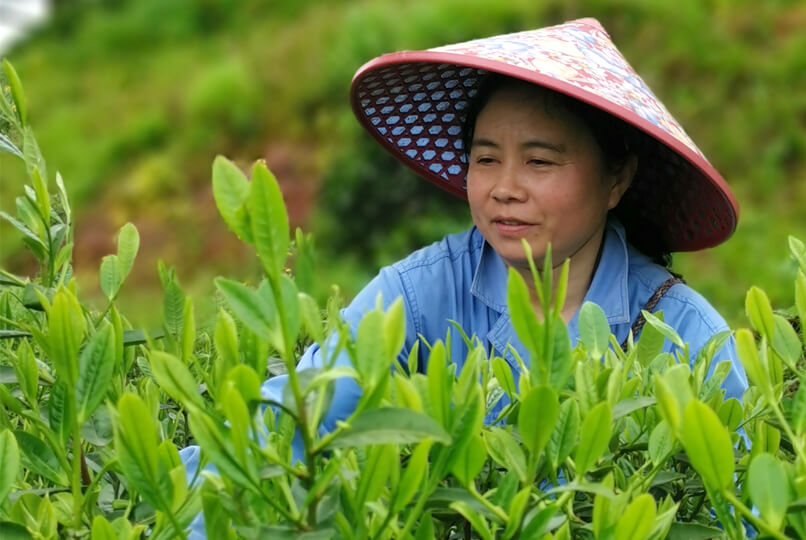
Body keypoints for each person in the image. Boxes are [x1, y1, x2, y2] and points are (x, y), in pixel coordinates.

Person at [181, 17, 748, 535]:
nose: (505, 187)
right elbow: (286, 425)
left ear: (616, 179)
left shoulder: (687, 338)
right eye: (485, 159)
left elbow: (740, 509)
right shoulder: (421, 296)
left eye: (540, 161)